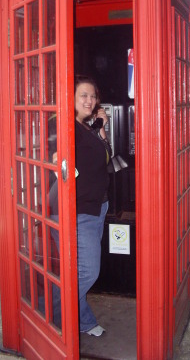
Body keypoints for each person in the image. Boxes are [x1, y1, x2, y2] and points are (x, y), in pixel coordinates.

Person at [73, 75, 111, 337]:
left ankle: (83, 321)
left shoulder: (86, 127)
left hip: (98, 208)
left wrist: (101, 128)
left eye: (93, 96)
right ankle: (47, 310)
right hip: (80, 211)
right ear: (72, 99)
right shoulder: (68, 128)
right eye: (83, 95)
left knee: (81, 270)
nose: (89, 100)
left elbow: (106, 157)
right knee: (88, 272)